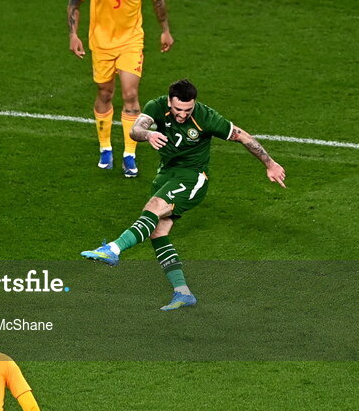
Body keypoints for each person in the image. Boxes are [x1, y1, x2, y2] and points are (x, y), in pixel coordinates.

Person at [81, 79, 286, 310]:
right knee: (158, 232)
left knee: (154, 206)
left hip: (192, 177)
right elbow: (136, 129)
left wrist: (269, 163)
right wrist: (148, 135)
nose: (182, 115)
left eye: (188, 110)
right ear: (170, 101)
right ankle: (183, 293)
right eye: (178, 109)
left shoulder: (206, 117)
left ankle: (113, 250)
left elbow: (243, 136)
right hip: (166, 174)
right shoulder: (157, 106)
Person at [68, 0, 174, 178]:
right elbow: (74, 3)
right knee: (104, 93)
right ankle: (105, 147)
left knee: (130, 94)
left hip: (130, 42)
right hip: (102, 44)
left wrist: (165, 30)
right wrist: (73, 35)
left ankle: (129, 153)